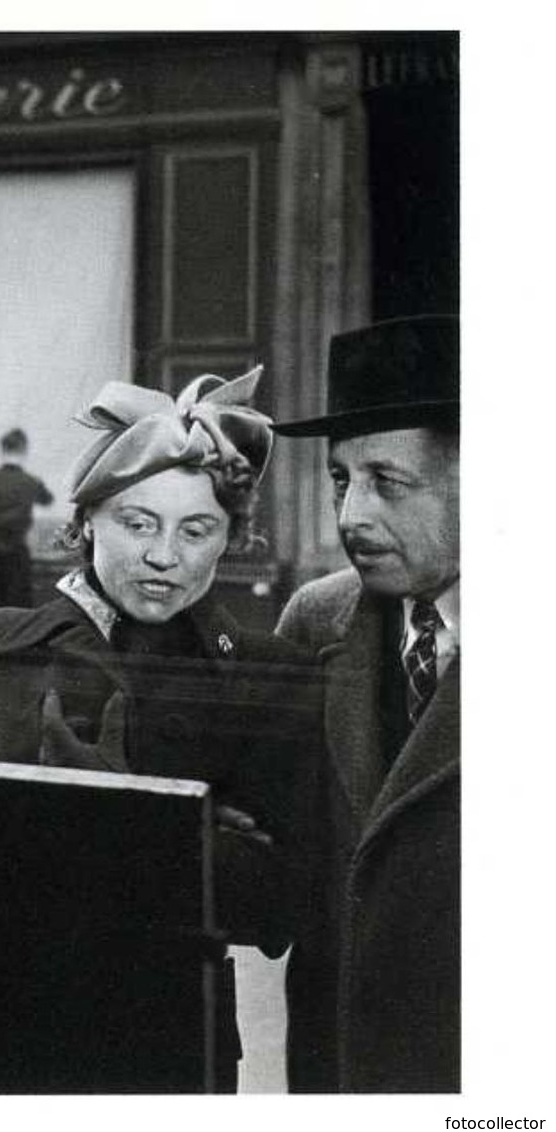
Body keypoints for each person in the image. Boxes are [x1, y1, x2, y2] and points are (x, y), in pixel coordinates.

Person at [0, 368, 322, 1092]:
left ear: (230, 538)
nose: (164, 556)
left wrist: (116, 819)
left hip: (167, 1044)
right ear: (83, 523)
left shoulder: (269, 675)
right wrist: (197, 833)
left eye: (197, 530)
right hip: (0, 1029)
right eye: (137, 523)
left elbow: (277, 909)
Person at [273, 314, 460, 1093]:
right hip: (339, 1068)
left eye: (387, 482)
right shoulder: (314, 620)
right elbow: (276, 856)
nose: (350, 517)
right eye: (340, 480)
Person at [0, 427, 54, 609]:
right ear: (24, 451)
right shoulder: (31, 481)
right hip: (16, 549)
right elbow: (47, 499)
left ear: (1, 451)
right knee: (16, 606)